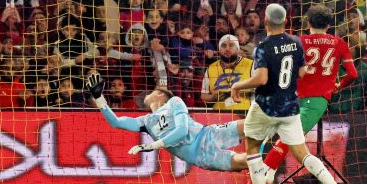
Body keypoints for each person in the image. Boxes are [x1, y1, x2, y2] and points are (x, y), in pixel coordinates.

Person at [230, 3, 348, 184]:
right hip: (291, 105)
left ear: (265, 21)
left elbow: (261, 79)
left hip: (267, 103)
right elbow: (302, 72)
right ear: (285, 21)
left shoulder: (263, 46)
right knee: (301, 152)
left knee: (253, 148)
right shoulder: (296, 43)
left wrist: (238, 85)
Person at [84, 72, 248, 172]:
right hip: (201, 156)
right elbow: (116, 122)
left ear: (161, 95)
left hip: (208, 134)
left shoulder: (174, 102)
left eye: (152, 91)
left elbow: (182, 130)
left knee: (250, 125)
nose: (147, 93)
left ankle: (274, 127)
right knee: (244, 162)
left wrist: (154, 145)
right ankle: (269, 163)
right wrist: (99, 98)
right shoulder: (146, 122)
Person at [201, 34, 253, 111]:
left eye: (231, 45)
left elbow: (261, 90)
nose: (227, 49)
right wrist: (213, 97)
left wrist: (242, 90)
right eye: (223, 46)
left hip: (245, 113)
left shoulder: (251, 65)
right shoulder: (211, 68)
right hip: (219, 115)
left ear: (238, 49)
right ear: (219, 49)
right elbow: (204, 95)